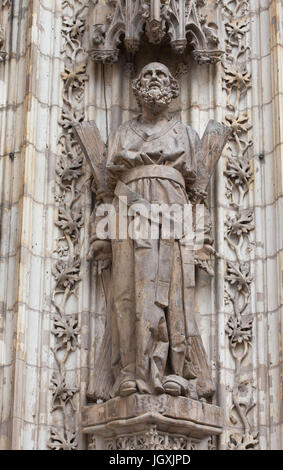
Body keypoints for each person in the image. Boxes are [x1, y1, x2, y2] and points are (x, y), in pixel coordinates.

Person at [86, 62, 229, 401]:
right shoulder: (122, 133)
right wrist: (100, 233)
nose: (154, 80)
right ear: (136, 88)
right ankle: (131, 372)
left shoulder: (187, 136)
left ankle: (175, 372)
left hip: (173, 212)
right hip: (128, 213)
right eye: (147, 75)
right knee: (127, 291)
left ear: (172, 89)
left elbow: (198, 197)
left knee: (175, 293)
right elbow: (109, 186)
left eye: (161, 76)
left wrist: (202, 237)